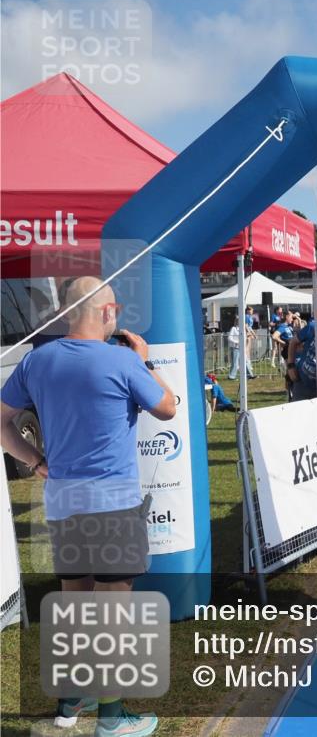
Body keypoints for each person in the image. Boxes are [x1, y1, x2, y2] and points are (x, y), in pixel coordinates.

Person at [0, 276, 175, 736]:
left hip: (62, 503)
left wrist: (34, 460)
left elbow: (1, 421)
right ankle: (113, 718)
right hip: (113, 503)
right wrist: (145, 360)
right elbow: (169, 407)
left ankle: (69, 700)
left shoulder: (37, 361)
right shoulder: (121, 359)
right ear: (108, 312)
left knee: (76, 603)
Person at [228, 315, 256, 380]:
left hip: (242, 348)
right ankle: (231, 376)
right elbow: (229, 337)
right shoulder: (233, 328)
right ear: (237, 321)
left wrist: (247, 336)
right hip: (235, 348)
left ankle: (250, 375)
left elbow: (244, 337)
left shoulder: (242, 329)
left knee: (245, 361)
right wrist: (236, 342)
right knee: (235, 362)